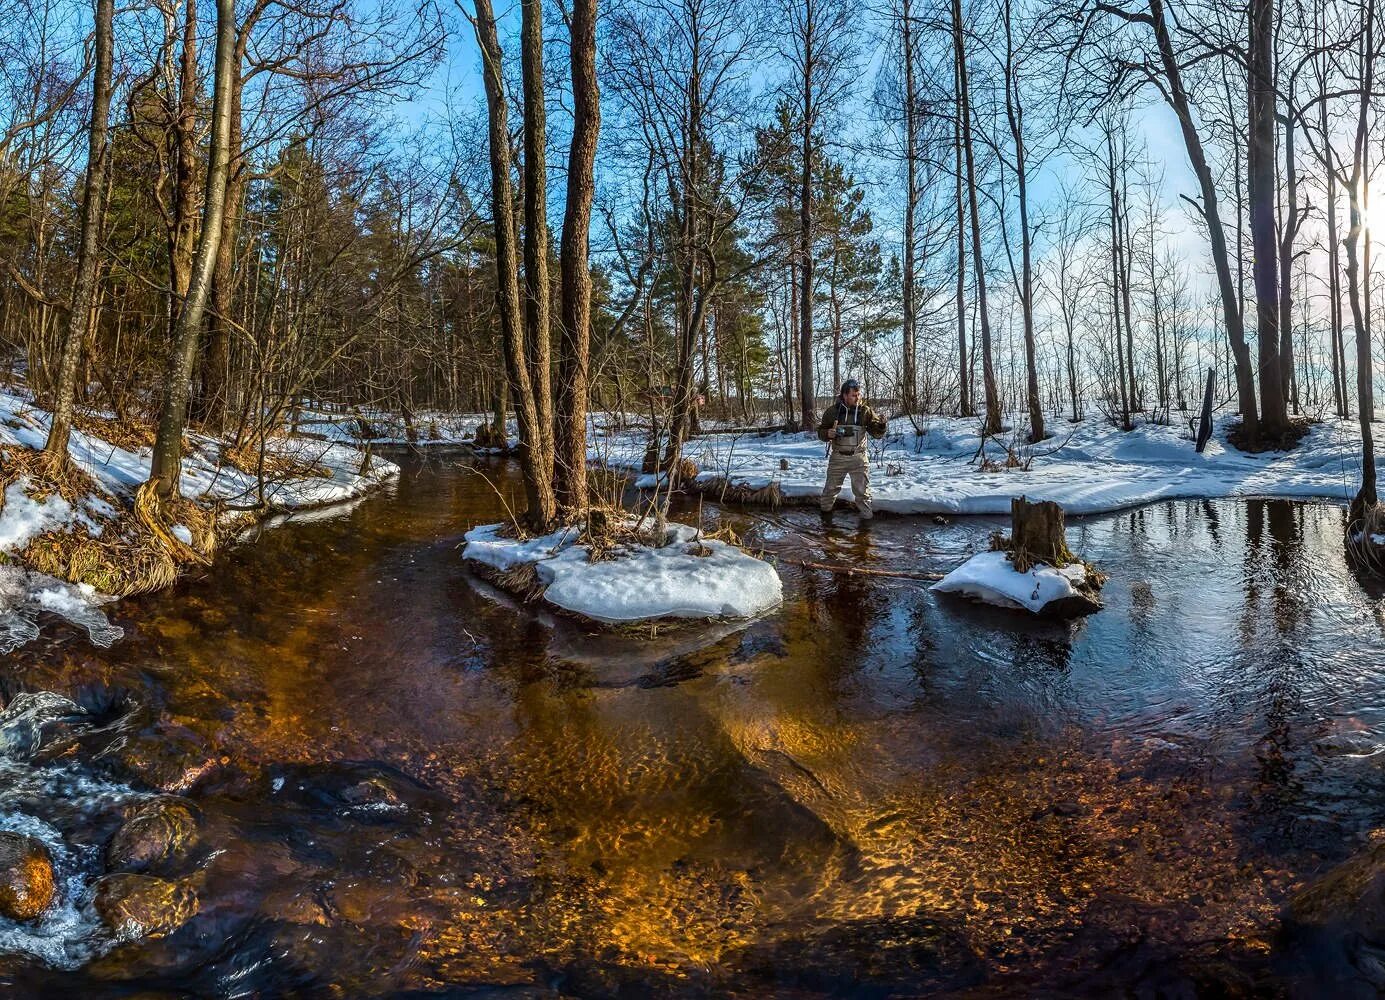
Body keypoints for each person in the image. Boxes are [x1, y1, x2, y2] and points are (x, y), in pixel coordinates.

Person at [817, 378, 888, 519]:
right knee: (829, 492)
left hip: (859, 459)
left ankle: (866, 529)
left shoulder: (865, 411)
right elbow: (821, 432)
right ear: (844, 395)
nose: (857, 398)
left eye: (858, 394)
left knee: (863, 494)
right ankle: (825, 525)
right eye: (853, 395)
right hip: (838, 458)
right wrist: (827, 433)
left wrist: (881, 425)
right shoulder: (832, 412)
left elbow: (877, 434)